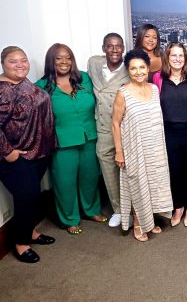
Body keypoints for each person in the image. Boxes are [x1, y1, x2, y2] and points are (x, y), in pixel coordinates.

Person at [35, 44, 106, 234]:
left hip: (89, 137)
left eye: (68, 57)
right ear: (51, 61)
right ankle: (70, 218)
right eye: (58, 58)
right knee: (64, 182)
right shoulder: (41, 87)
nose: (64, 62)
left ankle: (91, 210)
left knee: (90, 177)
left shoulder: (84, 79)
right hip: (62, 143)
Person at [0, 46, 56, 263]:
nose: (20, 64)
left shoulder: (23, 82)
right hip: (17, 156)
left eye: (23, 60)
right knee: (27, 197)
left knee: (32, 197)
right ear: (3, 63)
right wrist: (7, 151)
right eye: (13, 61)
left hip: (37, 152)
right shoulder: (3, 89)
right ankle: (21, 243)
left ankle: (31, 232)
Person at [111, 49, 173, 242]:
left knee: (153, 184)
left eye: (142, 67)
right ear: (128, 70)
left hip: (154, 147)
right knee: (138, 185)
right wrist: (119, 152)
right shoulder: (123, 93)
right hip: (134, 148)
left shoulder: (154, 89)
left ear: (148, 68)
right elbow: (115, 122)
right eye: (133, 68)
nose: (138, 72)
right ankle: (138, 222)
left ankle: (149, 220)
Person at [150, 42, 187, 227]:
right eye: (173, 55)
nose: (177, 59)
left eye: (181, 55)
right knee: (173, 171)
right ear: (167, 57)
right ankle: (178, 206)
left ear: (186, 58)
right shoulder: (157, 77)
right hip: (167, 133)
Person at [87, 33, 131, 228]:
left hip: (125, 127)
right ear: (103, 48)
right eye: (110, 46)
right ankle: (119, 210)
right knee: (108, 171)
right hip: (104, 128)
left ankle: (134, 210)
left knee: (129, 171)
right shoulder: (94, 64)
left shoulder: (131, 69)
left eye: (118, 46)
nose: (114, 50)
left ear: (124, 48)